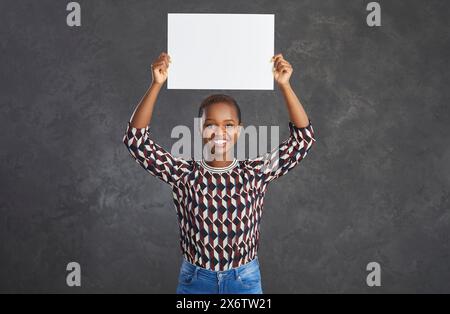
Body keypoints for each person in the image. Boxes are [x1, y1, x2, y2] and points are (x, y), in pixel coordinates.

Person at [123, 52, 316, 294]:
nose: (219, 132)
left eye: (229, 125)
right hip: (196, 280)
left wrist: (285, 85)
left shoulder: (255, 173)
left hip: (244, 279)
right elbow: (136, 141)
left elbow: (303, 139)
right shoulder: (183, 174)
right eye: (210, 124)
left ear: (239, 130)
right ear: (200, 129)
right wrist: (156, 84)